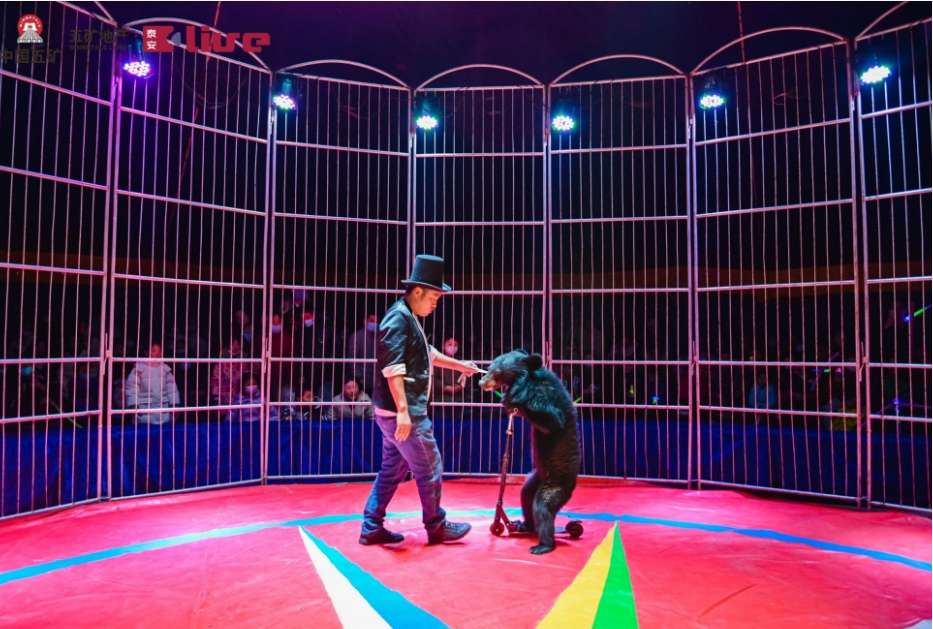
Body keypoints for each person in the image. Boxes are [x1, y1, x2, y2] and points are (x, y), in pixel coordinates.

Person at [360, 255, 481, 546]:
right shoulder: (398, 318)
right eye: (434, 297)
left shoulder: (408, 317)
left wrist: (460, 365)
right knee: (430, 465)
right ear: (417, 291)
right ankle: (436, 526)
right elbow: (393, 368)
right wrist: (403, 410)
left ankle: (371, 526)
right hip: (404, 413)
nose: (436, 303)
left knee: (393, 469)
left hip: (393, 411)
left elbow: (428, 353)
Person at [124, 342, 181, 425]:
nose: (157, 354)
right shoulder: (139, 368)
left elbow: (172, 389)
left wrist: (174, 404)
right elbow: (131, 387)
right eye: (154, 351)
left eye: (160, 351)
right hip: (144, 409)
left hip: (163, 409)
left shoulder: (165, 369)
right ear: (146, 353)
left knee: (162, 431)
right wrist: (133, 404)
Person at [346, 314, 379, 393]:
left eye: (377, 321)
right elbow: (352, 359)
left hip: (377, 381)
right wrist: (359, 377)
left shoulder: (380, 336)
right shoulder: (356, 337)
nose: (375, 324)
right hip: (361, 381)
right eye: (372, 321)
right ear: (365, 322)